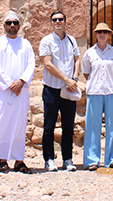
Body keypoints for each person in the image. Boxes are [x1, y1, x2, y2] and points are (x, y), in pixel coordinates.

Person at [0, 11, 35, 174]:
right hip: (3, 92)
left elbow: (31, 64)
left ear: (19, 26)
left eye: (15, 23)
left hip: (21, 91)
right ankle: (2, 160)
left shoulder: (26, 44)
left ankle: (19, 160)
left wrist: (21, 81)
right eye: (9, 23)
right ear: (4, 25)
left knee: (19, 125)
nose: (12, 25)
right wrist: (9, 84)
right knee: (1, 124)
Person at [39, 10, 81, 172]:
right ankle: (49, 159)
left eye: (60, 19)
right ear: (51, 22)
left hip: (69, 88)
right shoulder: (46, 41)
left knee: (68, 126)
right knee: (49, 125)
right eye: (55, 19)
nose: (58, 22)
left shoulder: (71, 40)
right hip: (52, 88)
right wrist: (66, 79)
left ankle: (67, 159)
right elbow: (48, 64)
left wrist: (75, 78)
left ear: (65, 21)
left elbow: (77, 59)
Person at [82, 22, 113, 170]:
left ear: (109, 34)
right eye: (99, 32)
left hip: (112, 91)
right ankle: (92, 159)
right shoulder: (89, 53)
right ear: (96, 34)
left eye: (105, 32)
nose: (102, 34)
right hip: (95, 91)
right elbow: (86, 72)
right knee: (93, 126)